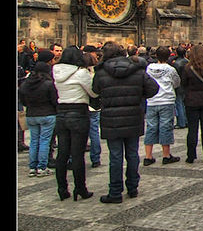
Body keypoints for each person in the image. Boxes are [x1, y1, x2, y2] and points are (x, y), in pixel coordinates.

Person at [92, 42, 160, 203]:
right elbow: (153, 89)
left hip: (111, 118)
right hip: (133, 117)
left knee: (115, 156)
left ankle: (115, 192)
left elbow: (95, 90)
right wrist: (139, 96)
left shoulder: (101, 72)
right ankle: (133, 187)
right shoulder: (137, 69)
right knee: (132, 153)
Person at [52, 46, 99, 200]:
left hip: (61, 113)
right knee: (77, 154)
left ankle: (62, 188)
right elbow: (93, 92)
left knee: (62, 153)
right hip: (78, 112)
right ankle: (80, 188)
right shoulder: (81, 73)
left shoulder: (56, 71)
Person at [180, 45, 203, 163]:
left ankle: (191, 155)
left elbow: (183, 84)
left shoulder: (187, 68)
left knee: (192, 129)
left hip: (191, 101)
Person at [143, 46, 181, 166]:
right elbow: (176, 83)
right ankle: (166, 155)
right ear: (169, 56)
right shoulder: (170, 69)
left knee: (151, 127)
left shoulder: (149, 68)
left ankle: (148, 156)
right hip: (166, 100)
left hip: (152, 100)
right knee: (166, 126)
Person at [19, 59, 57, 177]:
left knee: (34, 141)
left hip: (31, 114)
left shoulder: (26, 83)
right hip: (47, 113)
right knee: (44, 141)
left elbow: (22, 99)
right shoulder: (48, 84)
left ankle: (32, 167)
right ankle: (41, 167)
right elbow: (54, 100)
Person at [171, 47, 189, 129]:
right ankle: (186, 121)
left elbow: (175, 77)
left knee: (179, 104)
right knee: (185, 104)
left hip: (179, 85)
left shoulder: (176, 64)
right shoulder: (187, 62)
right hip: (186, 84)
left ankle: (181, 122)